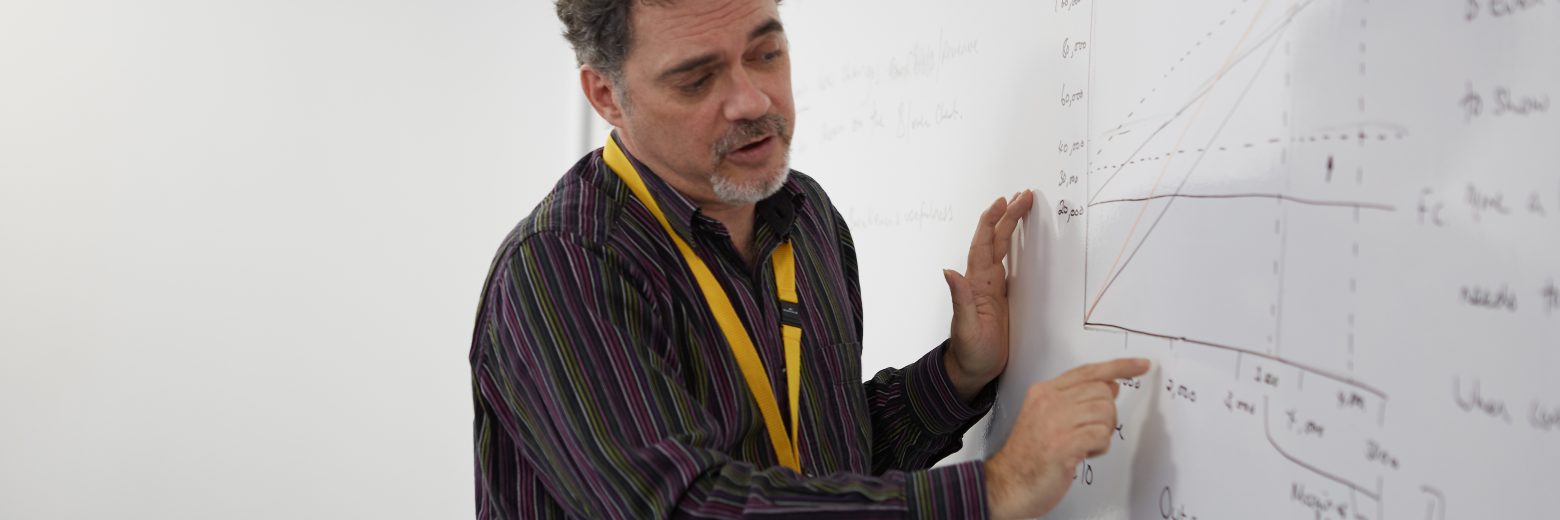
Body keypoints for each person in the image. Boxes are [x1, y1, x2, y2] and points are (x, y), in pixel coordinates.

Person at [468, 0, 1151, 517]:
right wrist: (994, 487)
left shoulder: (805, 216)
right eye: (698, 79)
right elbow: (685, 504)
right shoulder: (562, 266)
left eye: (766, 54)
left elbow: (822, 467)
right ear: (606, 96)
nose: (753, 101)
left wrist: (957, 374)